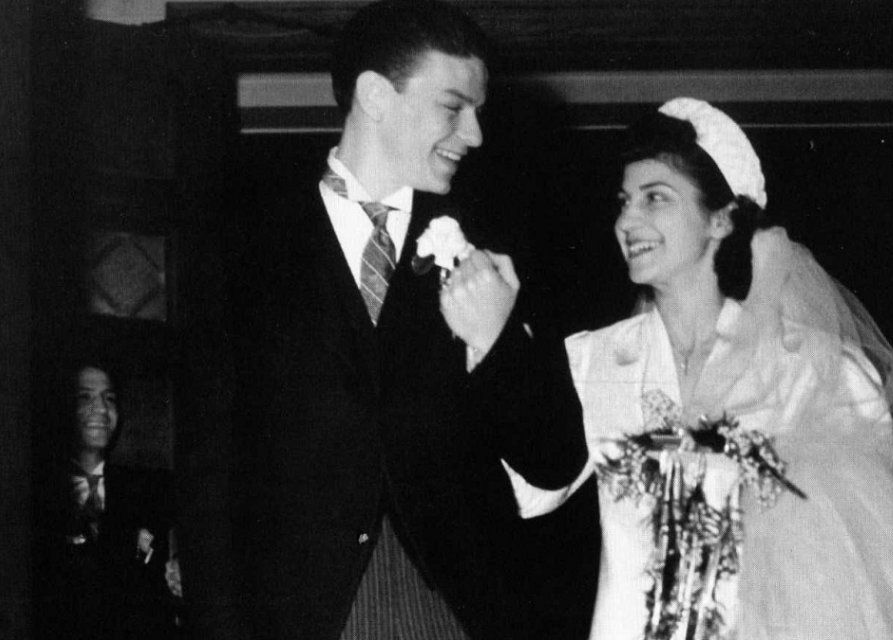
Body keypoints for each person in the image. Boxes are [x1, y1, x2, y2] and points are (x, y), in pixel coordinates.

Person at [177, 1, 588, 639]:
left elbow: (556, 461)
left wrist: (497, 339)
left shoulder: (488, 244)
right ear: (374, 95)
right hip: (298, 618)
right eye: (453, 108)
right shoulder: (243, 244)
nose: (475, 134)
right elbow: (208, 476)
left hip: (454, 613)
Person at [507, 97, 893, 639]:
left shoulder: (817, 370)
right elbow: (531, 493)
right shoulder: (592, 360)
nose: (627, 221)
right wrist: (494, 346)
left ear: (721, 218)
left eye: (655, 198)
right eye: (624, 201)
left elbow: (883, 572)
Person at [35, 361, 182, 640]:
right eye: (85, 397)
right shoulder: (39, 492)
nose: (101, 409)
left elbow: (155, 563)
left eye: (109, 398)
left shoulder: (146, 489)